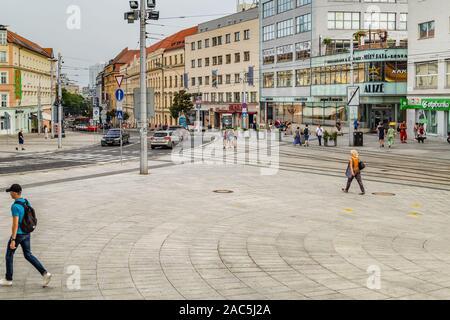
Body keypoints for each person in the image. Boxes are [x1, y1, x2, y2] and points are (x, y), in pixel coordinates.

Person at [0, 184, 52, 287]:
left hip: (18, 234)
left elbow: (15, 224)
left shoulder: (15, 206)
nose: (10, 194)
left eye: (11, 192)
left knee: (9, 256)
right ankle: (45, 274)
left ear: (15, 193)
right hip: (26, 233)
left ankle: (8, 279)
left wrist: (13, 239)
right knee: (28, 255)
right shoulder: (26, 201)